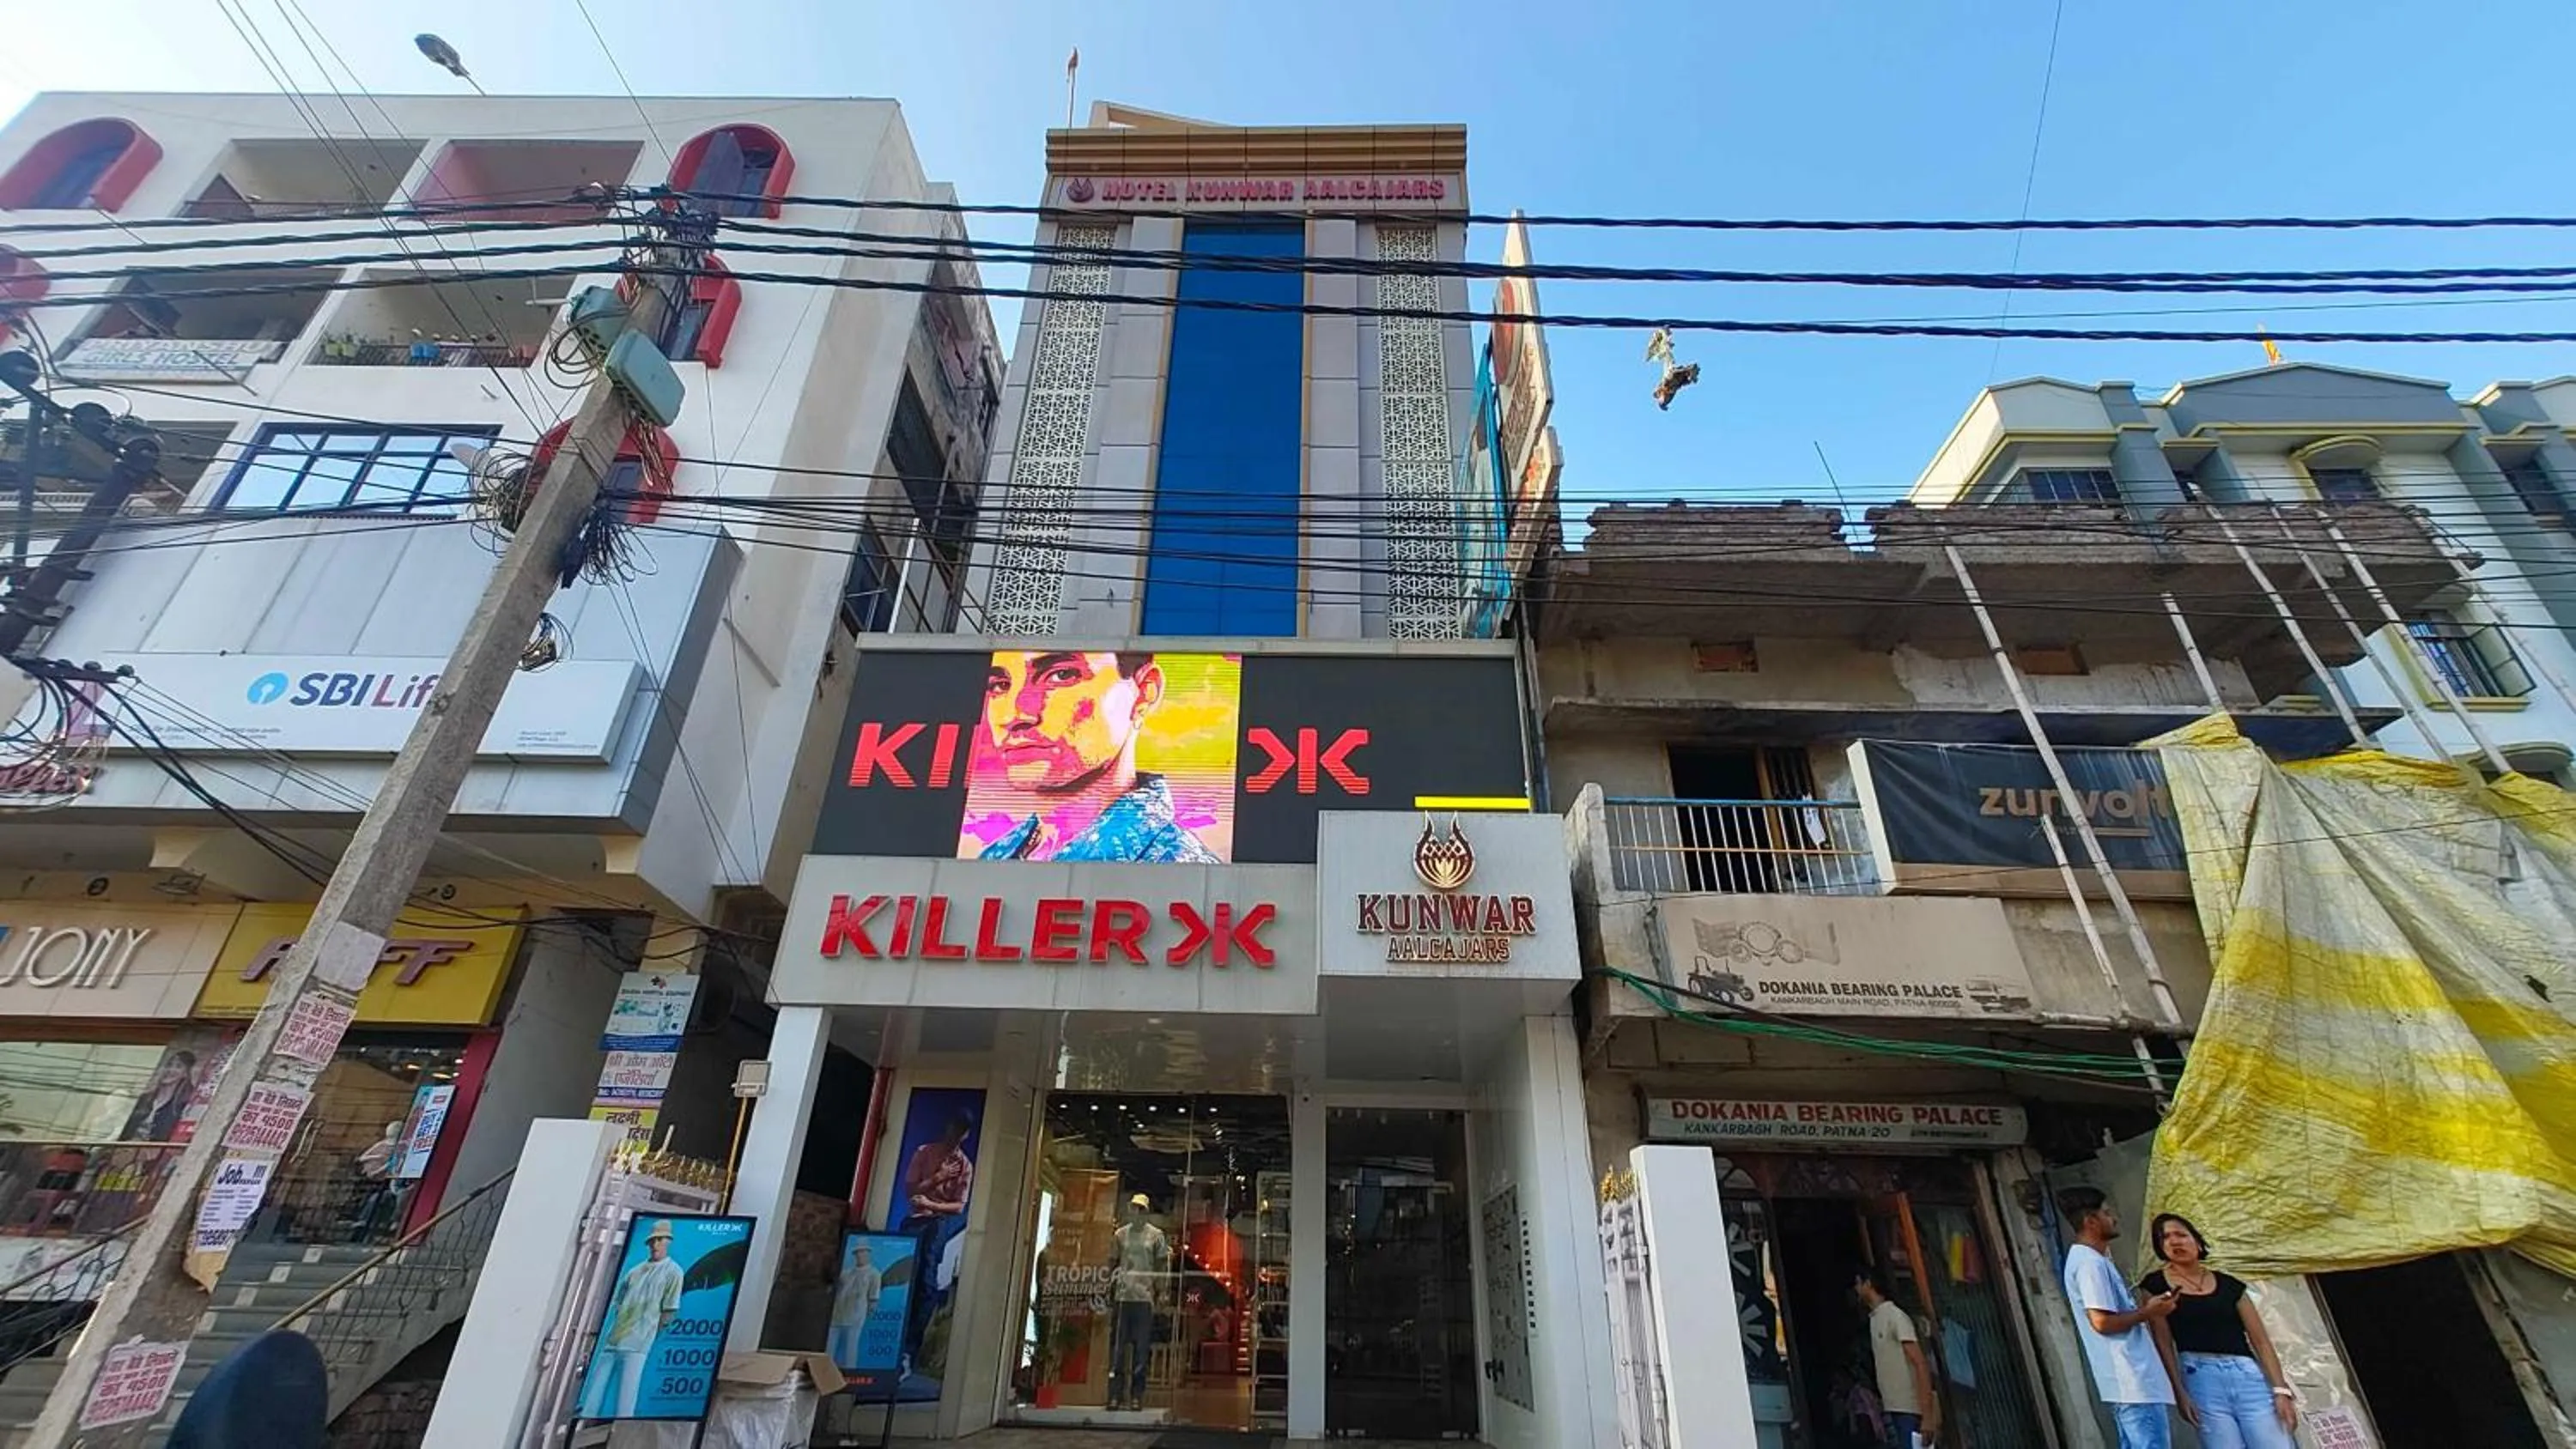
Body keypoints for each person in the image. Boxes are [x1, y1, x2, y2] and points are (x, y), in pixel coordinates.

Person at [972, 651, 1219, 864]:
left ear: (1144, 692)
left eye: (1061, 675)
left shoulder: (1180, 870)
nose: (1013, 716)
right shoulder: (994, 858)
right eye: (999, 686)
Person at [2138, 1213, 2298, 1449]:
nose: (2174, 1242)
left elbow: (2261, 1342)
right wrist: (2179, 1391)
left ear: (2197, 1241)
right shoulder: (2155, 1286)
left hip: (2247, 1376)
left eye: (2181, 1235)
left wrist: (2280, 1390)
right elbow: (2163, 1344)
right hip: (2200, 1377)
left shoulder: (2229, 1285)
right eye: (2165, 1238)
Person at [2057, 1188, 2181, 1449]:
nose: (2113, 1218)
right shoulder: (2090, 1263)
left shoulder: (2095, 1260)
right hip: (2131, 1382)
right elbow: (2101, 1322)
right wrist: (2149, 1312)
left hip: (2131, 1383)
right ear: (2091, 1221)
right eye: (2106, 1213)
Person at [583, 1220, 685, 1420]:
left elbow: (669, 1311)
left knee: (625, 1403)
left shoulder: (673, 1272)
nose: (655, 1244)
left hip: (638, 1344)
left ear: (668, 1241)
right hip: (613, 1341)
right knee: (591, 1400)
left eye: (659, 1239)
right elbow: (618, 1302)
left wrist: (649, 1333)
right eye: (652, 1240)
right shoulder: (634, 1271)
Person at [1851, 1268, 1940, 1446]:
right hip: (1892, 1408)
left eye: (1858, 1283)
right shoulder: (1875, 1319)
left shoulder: (1895, 1316)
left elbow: (1920, 1363)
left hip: (1910, 1409)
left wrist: (1927, 1415)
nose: (1856, 1289)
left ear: (1868, 1284)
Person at [1107, 1192, 1170, 1412]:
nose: (1138, 1212)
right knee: (1117, 1350)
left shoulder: (1156, 1235)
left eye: (1142, 1209)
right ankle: (1115, 1394)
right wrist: (1108, 1287)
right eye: (1135, 1208)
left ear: (1148, 1211)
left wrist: (1162, 1292)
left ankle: (1136, 1395)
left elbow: (1162, 1266)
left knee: (1141, 1350)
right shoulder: (1120, 1235)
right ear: (1130, 1209)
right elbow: (1112, 1262)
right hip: (1123, 1296)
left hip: (1143, 1297)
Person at [120, 1049, 198, 1142]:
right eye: (169, 1065)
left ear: (185, 1074)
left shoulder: (184, 1105)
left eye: (178, 1066)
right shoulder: (144, 1099)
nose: (170, 1070)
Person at [829, 1240, 884, 1369]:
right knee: (829, 1347)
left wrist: (870, 1310)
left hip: (855, 1315)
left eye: (863, 1252)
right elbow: (836, 1290)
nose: (860, 1255)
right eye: (858, 1253)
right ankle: (826, 1374)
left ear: (868, 1254)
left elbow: (873, 1297)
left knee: (851, 1348)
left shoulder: (874, 1274)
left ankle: (850, 1373)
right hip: (837, 1313)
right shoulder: (846, 1273)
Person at [349, 1121, 404, 1243]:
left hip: (388, 1181)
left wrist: (383, 1169)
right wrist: (377, 1158)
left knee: (379, 1199)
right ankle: (363, 1223)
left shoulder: (401, 1147)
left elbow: (393, 1165)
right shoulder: (381, 1145)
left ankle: (367, 1224)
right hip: (375, 1179)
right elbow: (361, 1158)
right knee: (374, 1198)